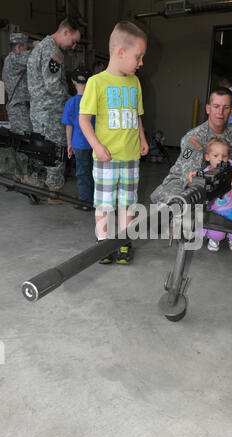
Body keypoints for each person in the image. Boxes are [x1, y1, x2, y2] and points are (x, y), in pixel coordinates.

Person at [79, 21, 149, 264]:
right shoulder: (96, 82)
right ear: (120, 52)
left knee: (128, 203)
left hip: (130, 157)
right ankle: (103, 241)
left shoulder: (135, 83)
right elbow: (84, 119)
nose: (141, 63)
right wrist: (97, 146)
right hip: (106, 158)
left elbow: (137, 114)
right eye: (138, 57)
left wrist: (142, 138)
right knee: (105, 204)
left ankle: (123, 240)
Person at [151, 87, 232, 210]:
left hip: (218, 183)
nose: (220, 112)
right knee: (182, 200)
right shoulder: (195, 137)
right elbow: (190, 177)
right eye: (216, 106)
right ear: (208, 109)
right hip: (183, 182)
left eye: (226, 107)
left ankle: (220, 219)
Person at [27, 17, 81, 190]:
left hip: (39, 112)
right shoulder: (53, 52)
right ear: (65, 32)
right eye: (74, 41)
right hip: (51, 113)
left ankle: (38, 187)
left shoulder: (40, 47)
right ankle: (54, 191)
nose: (73, 46)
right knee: (56, 151)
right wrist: (72, 104)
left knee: (41, 151)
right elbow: (54, 87)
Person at [188, 137, 232, 253]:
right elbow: (198, 178)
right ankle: (214, 240)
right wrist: (194, 176)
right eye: (215, 156)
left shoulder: (231, 168)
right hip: (214, 212)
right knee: (216, 234)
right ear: (207, 157)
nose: (220, 160)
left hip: (230, 210)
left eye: (224, 156)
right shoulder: (206, 172)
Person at [62, 65, 95, 210]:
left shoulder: (71, 102)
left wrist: (69, 144)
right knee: (97, 173)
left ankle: (84, 202)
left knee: (82, 173)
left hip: (79, 144)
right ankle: (99, 202)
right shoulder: (96, 101)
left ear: (73, 81)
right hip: (96, 144)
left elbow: (69, 126)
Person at [2, 33, 32, 134]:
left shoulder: (12, 59)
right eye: (26, 48)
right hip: (18, 109)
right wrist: (40, 46)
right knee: (25, 140)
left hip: (21, 107)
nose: (27, 51)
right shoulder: (14, 59)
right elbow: (34, 57)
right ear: (19, 47)